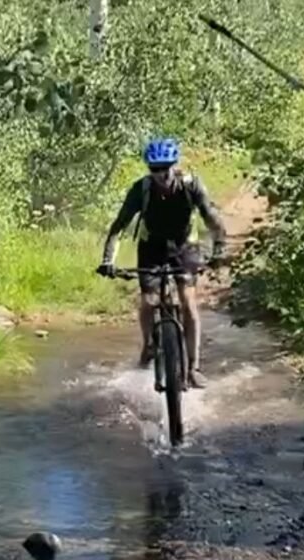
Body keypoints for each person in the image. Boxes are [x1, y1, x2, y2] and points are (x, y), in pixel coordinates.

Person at [96, 136, 227, 388]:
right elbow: (118, 227)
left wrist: (219, 251)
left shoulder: (192, 185)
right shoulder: (141, 189)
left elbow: (212, 220)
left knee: (188, 301)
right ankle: (148, 345)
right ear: (149, 169)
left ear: (173, 165)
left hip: (184, 246)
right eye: (155, 169)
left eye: (165, 168)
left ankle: (193, 367)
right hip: (151, 247)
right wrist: (107, 260)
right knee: (149, 300)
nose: (161, 174)